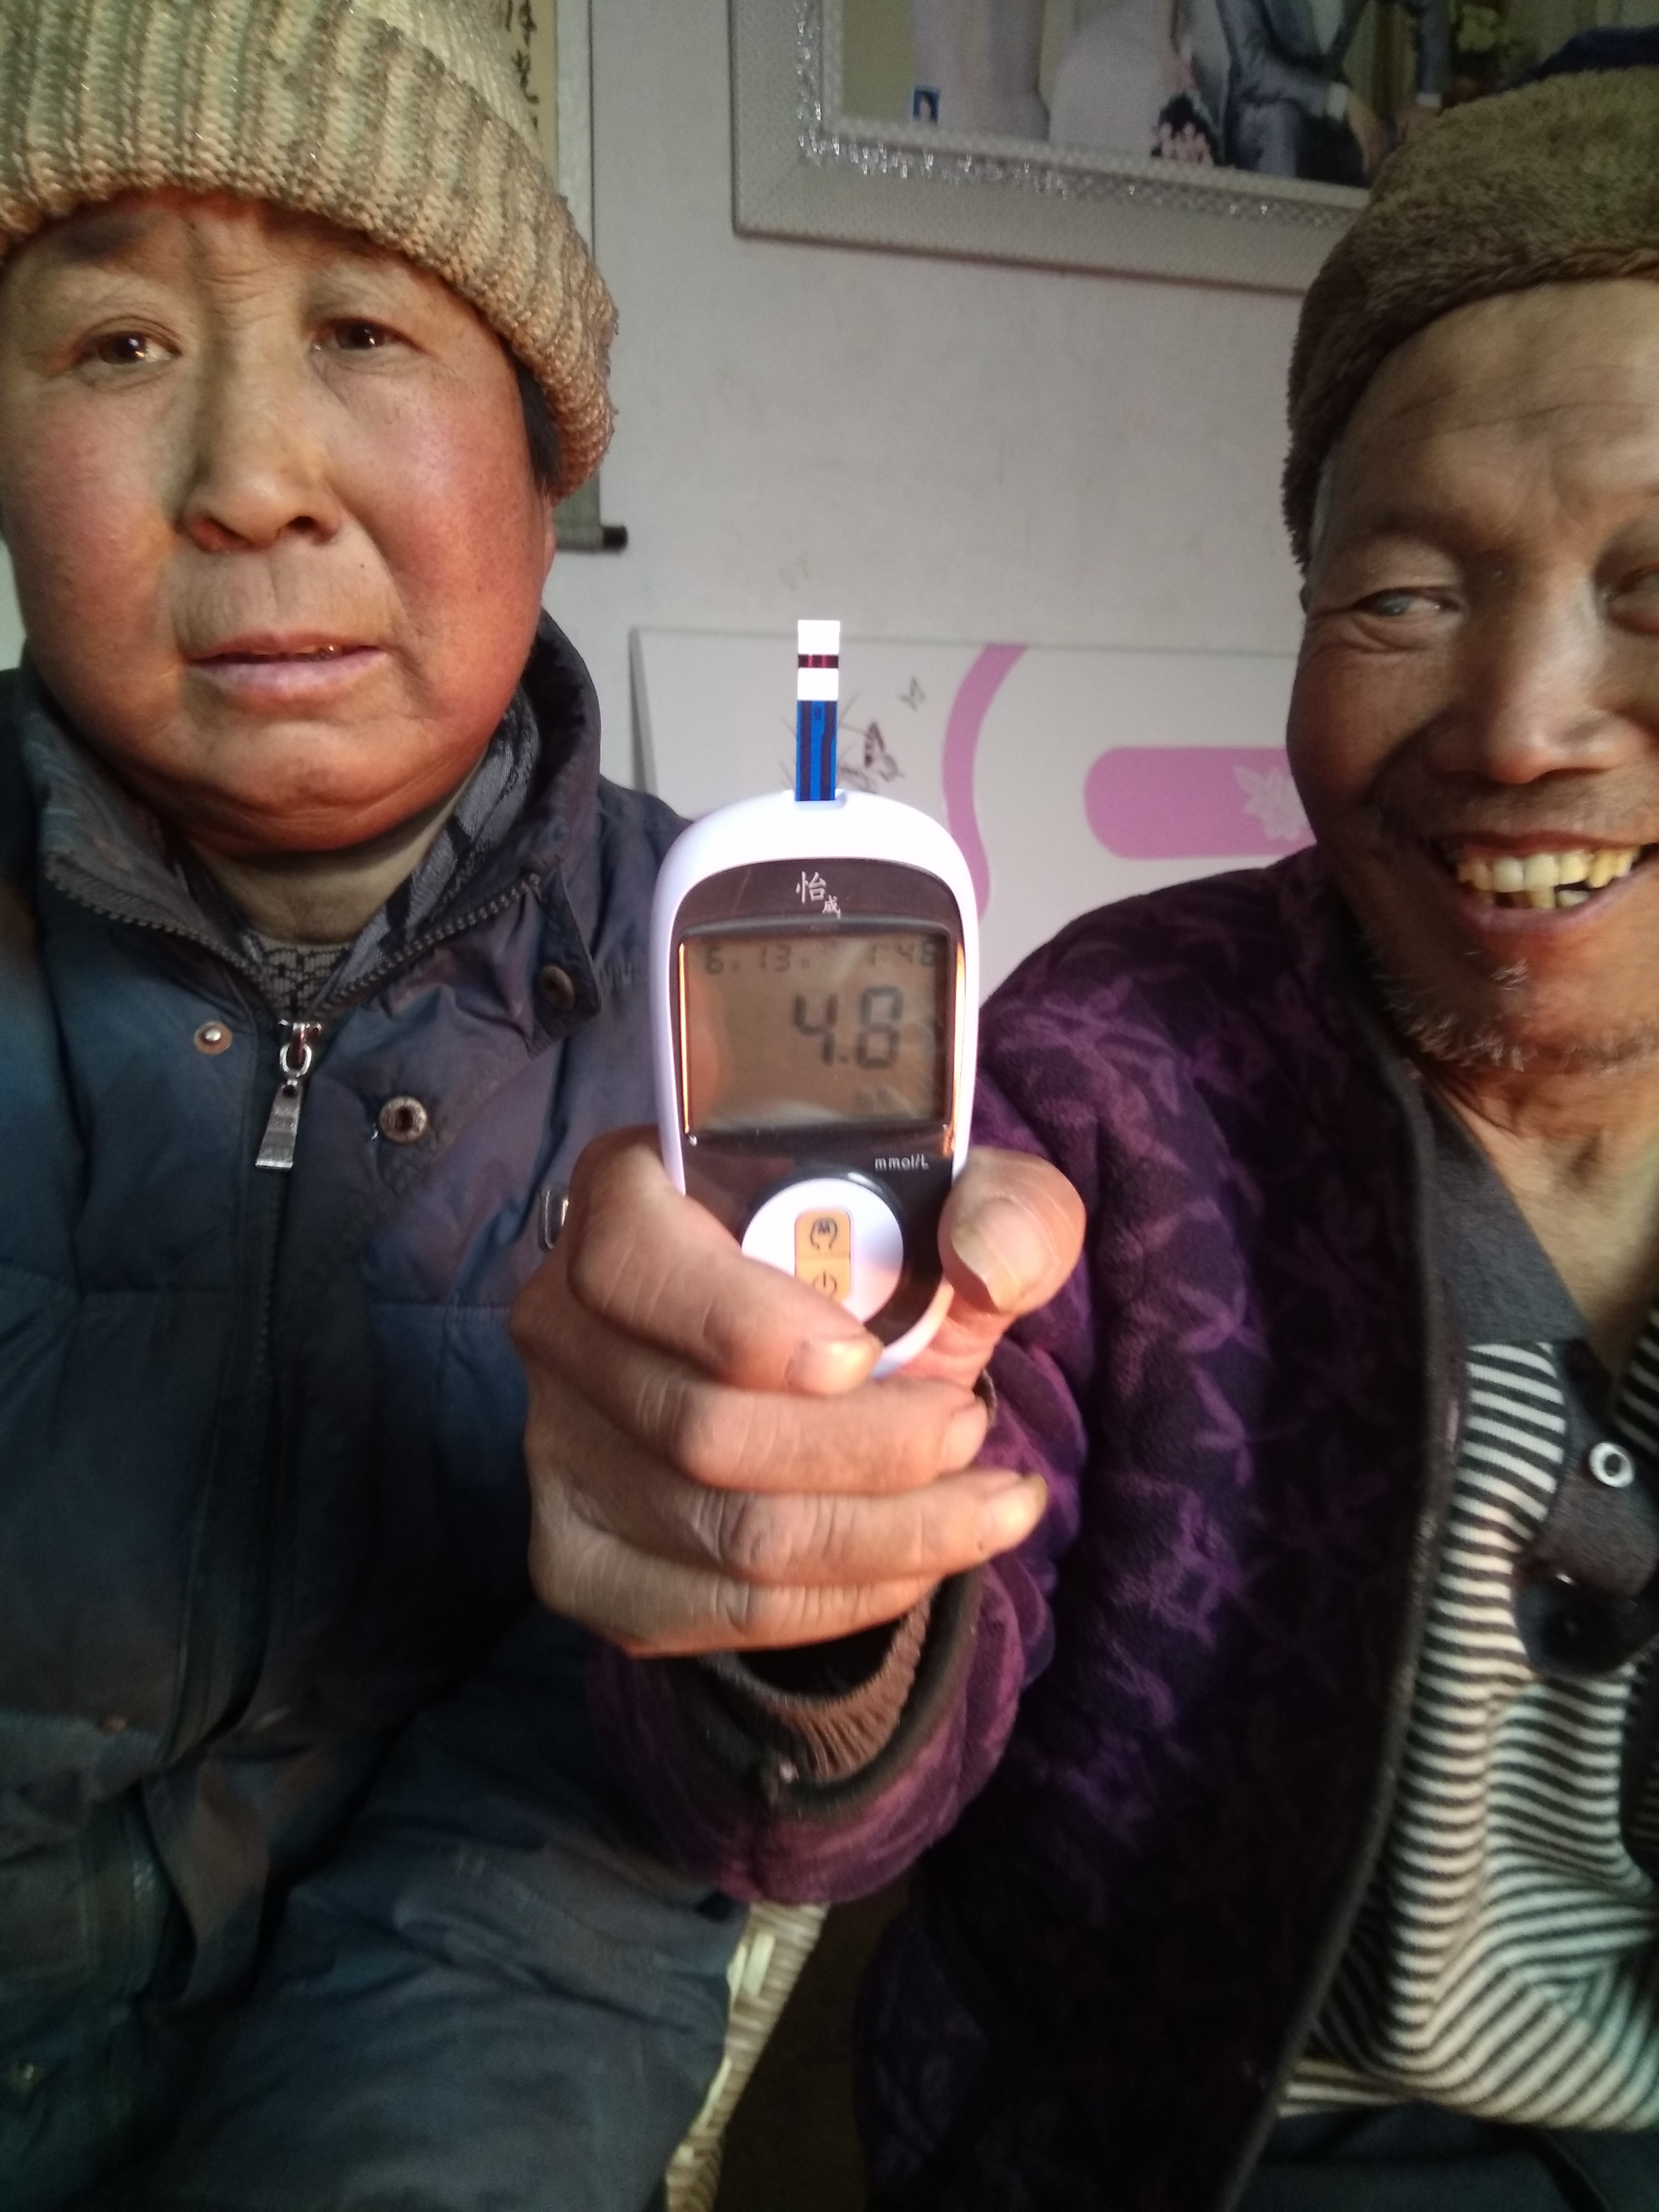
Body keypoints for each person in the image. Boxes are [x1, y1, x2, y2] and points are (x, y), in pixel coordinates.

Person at [520, 60, 1659, 2212]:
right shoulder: (1109, 1076)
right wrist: (805, 1604)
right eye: (1399, 596)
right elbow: (813, 1804)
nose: (1519, 724)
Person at [0, 2, 1080, 2206]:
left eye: (363, 331)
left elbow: (635, 1865)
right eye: (114, 345)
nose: (250, 478)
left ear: (545, 449)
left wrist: (809, 1619)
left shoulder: (738, 1046)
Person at [1215, 0, 1447, 181]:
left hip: (1331, 126)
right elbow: (1253, 70)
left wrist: (1427, 101)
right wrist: (1340, 101)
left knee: (1405, 152)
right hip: (1266, 118)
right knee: (1280, 123)